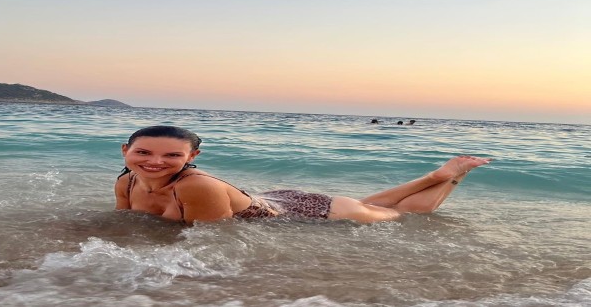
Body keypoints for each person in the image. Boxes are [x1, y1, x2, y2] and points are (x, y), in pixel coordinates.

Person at [115, 126, 491, 224]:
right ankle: (434, 176)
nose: (154, 162)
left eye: (172, 155)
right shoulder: (126, 180)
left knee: (405, 213)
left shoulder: (198, 187)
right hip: (275, 200)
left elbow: (212, 239)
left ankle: (452, 175)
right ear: (125, 152)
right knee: (372, 205)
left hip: (308, 211)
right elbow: (125, 220)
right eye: (143, 152)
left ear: (192, 157)